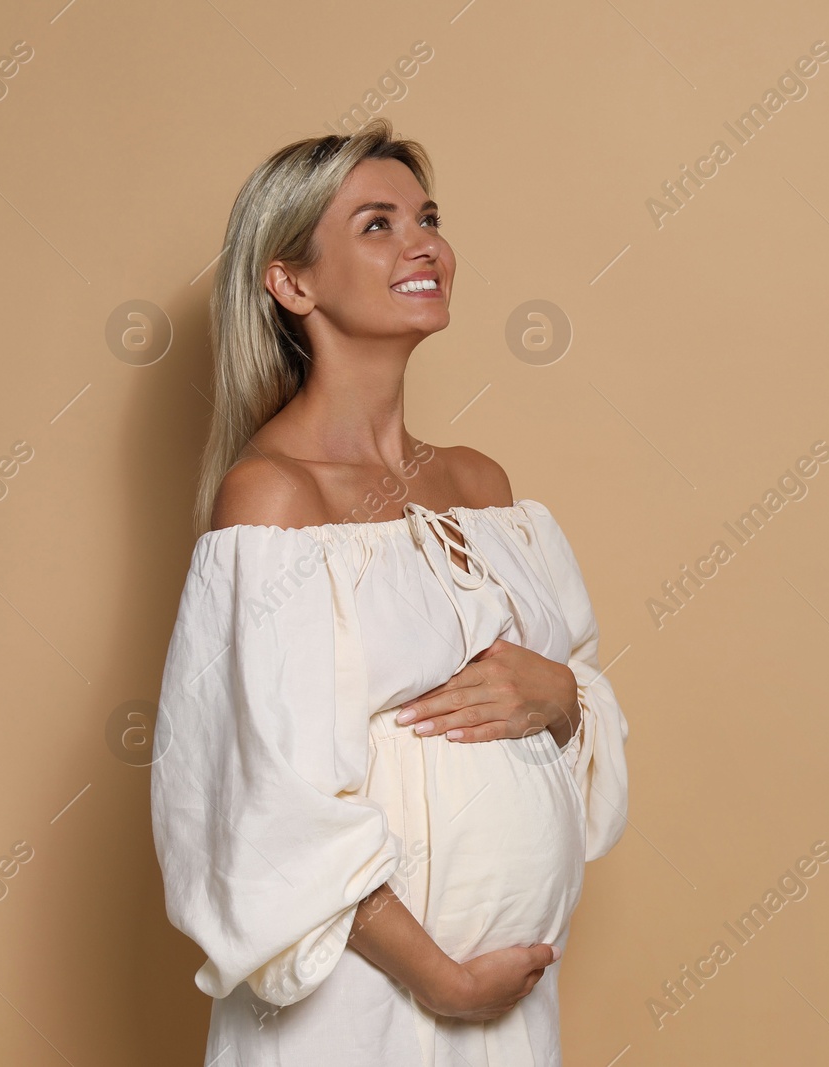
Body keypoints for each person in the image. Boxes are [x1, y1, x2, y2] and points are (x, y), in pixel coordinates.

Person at [150, 119, 629, 1065]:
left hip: (510, 1009)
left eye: (429, 217)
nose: (425, 245)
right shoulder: (273, 497)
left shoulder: (485, 490)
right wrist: (440, 977)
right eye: (377, 223)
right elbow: (260, 797)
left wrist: (562, 696)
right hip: (358, 1010)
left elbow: (579, 691)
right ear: (292, 282)